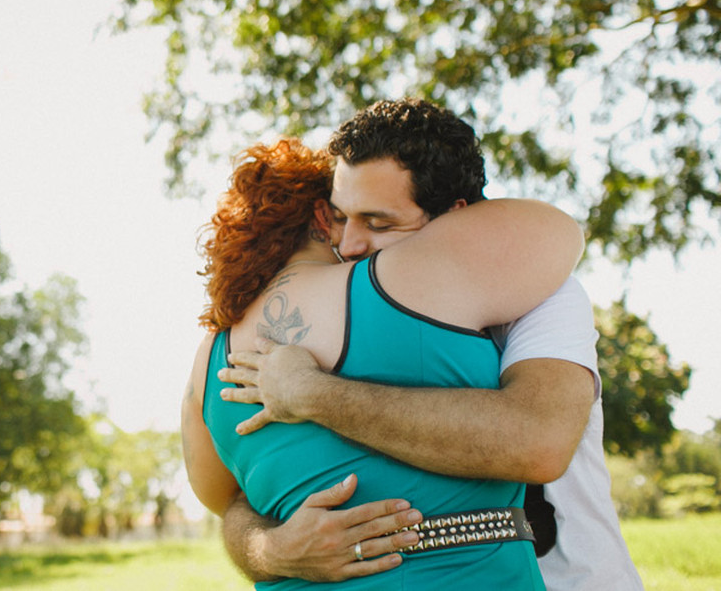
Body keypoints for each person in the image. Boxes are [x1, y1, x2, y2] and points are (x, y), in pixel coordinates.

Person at [217, 99, 642, 590]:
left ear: (454, 217)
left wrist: (313, 396)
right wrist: (269, 550)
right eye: (340, 217)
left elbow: (539, 442)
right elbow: (237, 498)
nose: (350, 245)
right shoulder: (350, 309)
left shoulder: (548, 295)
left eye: (379, 223)